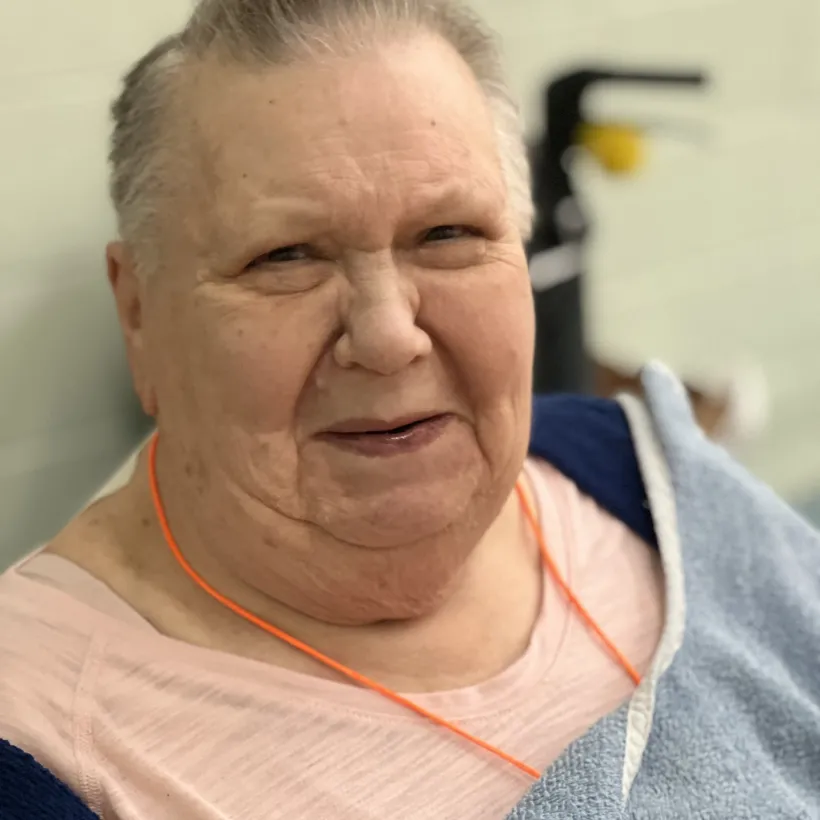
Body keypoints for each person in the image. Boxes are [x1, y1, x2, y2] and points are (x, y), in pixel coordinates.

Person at [1, 1, 819, 818]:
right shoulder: (44, 742)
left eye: (448, 233)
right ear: (139, 312)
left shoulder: (637, 476)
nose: (389, 337)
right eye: (285, 257)